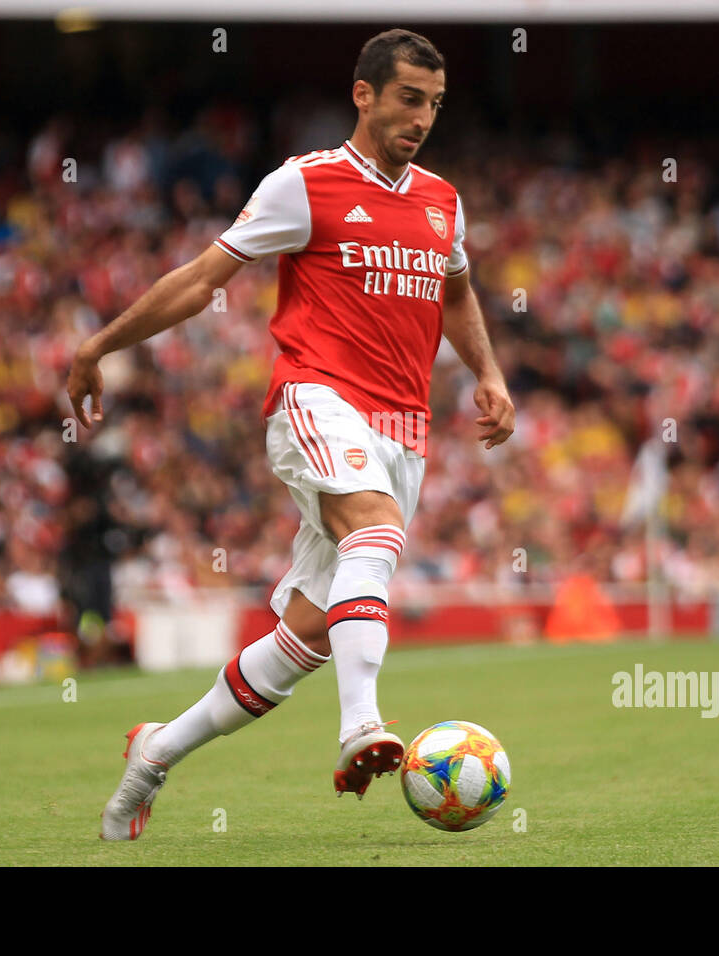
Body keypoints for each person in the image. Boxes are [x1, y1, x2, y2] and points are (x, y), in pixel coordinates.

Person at [67, 28, 515, 841]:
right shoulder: (304, 185)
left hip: (404, 431)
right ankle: (362, 727)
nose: (422, 117)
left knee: (306, 635)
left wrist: (487, 373)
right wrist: (100, 345)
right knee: (371, 528)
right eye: (410, 98)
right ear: (365, 94)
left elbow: (456, 292)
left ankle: (156, 751)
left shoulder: (442, 200)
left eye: (436, 104)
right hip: (316, 398)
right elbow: (204, 279)